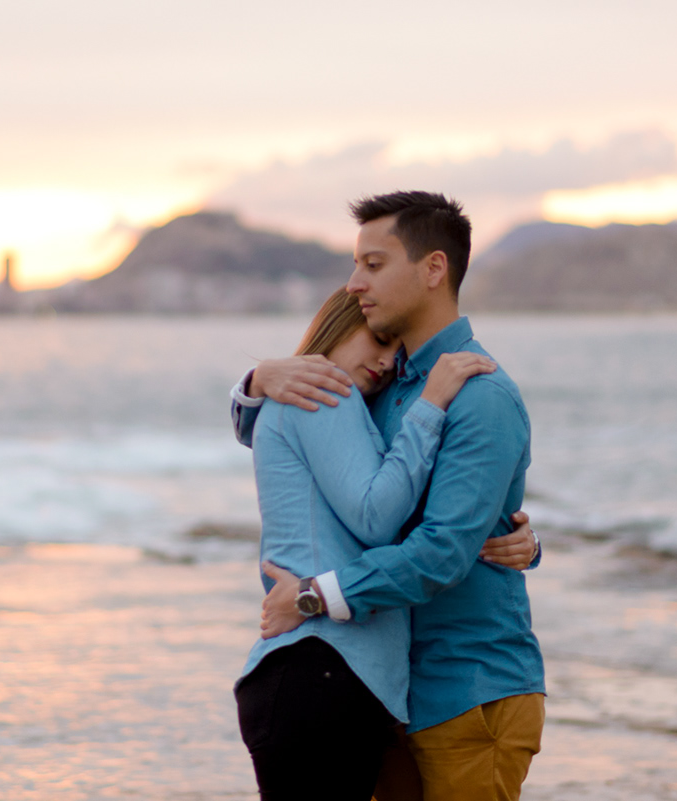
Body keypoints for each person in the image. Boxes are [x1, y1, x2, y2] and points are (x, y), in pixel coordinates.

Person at [232, 191, 546, 801]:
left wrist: (313, 595)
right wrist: (255, 381)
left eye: (373, 265)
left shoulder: (480, 394)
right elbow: (294, 444)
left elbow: (443, 552)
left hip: (467, 689)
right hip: (387, 689)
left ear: (433, 269)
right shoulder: (384, 385)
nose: (355, 283)